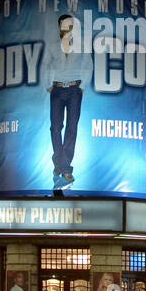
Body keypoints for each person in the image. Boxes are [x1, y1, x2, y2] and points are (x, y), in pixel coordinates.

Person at [41, 14, 95, 190]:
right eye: (64, 26)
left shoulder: (81, 46)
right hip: (57, 90)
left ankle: (61, 167)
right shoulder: (53, 46)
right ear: (60, 27)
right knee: (55, 127)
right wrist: (48, 85)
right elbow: (45, 65)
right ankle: (63, 168)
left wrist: (83, 86)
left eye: (71, 26)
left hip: (74, 90)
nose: (68, 29)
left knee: (72, 128)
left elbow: (88, 64)